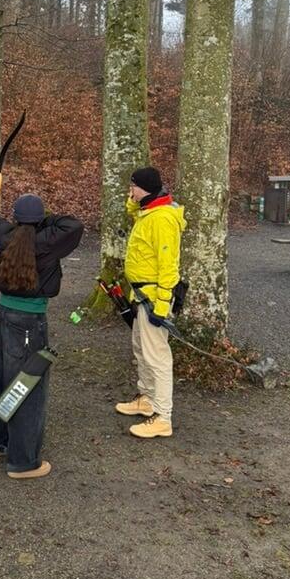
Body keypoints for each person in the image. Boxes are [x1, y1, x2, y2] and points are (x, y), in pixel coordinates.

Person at [0, 194, 83, 479]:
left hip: (4, 318)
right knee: (26, 387)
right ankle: (23, 462)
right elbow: (73, 225)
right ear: (39, 220)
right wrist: (43, 220)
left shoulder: (5, 234)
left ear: (15, 218)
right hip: (29, 323)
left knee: (0, 378)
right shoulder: (47, 240)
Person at [115, 166, 186, 439]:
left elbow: (169, 266)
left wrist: (161, 304)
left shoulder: (163, 219)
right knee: (141, 349)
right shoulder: (148, 211)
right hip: (140, 294)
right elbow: (134, 212)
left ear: (144, 188)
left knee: (157, 356)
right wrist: (133, 202)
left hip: (154, 297)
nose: (130, 191)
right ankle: (146, 399)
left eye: (133, 187)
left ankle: (163, 416)